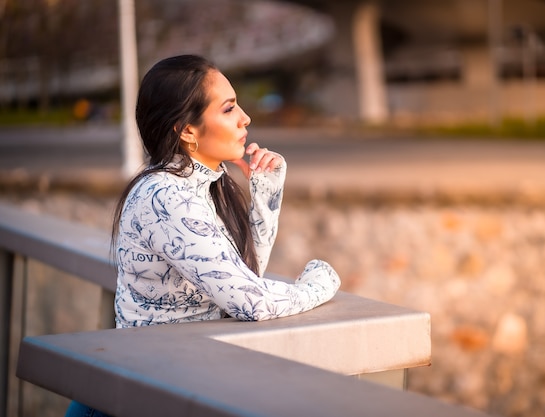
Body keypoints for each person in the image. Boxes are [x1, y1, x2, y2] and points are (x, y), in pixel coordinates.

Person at [65, 54, 340, 417]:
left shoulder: (202, 186)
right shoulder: (166, 196)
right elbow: (252, 302)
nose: (246, 118)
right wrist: (319, 282)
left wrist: (266, 193)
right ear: (187, 130)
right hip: (138, 394)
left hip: (170, 381)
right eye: (228, 109)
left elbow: (243, 277)